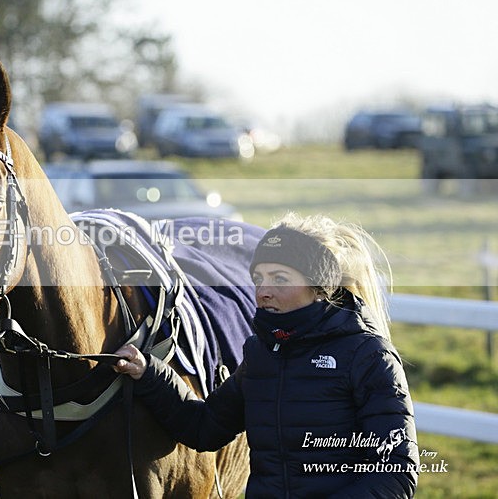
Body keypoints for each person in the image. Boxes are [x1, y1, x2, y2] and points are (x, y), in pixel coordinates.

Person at [114, 212, 419, 498]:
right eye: (259, 279)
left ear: (319, 288)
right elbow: (204, 428)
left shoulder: (368, 356)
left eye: (280, 279)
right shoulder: (261, 355)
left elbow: (395, 473)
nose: (263, 292)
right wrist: (150, 373)